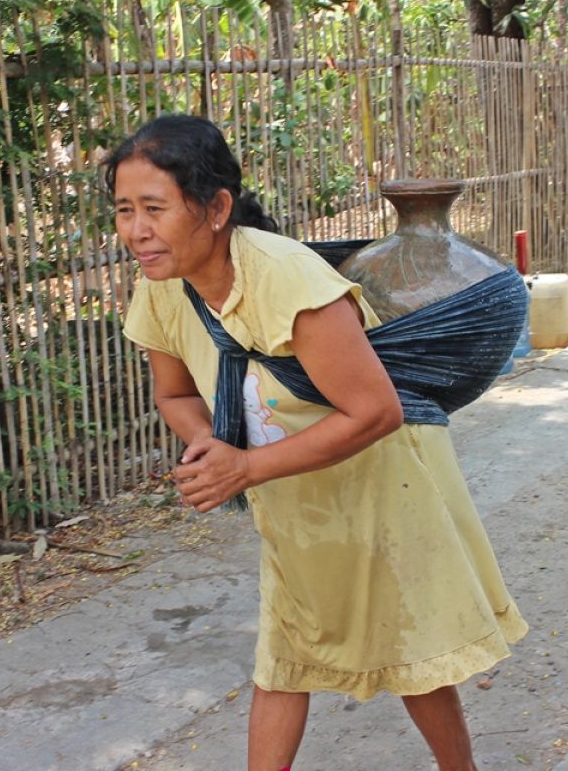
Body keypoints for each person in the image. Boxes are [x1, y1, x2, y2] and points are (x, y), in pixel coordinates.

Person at [109, 114, 527, 771]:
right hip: (293, 500)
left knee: (411, 651)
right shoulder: (162, 287)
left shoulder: (288, 279)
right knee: (286, 657)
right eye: (124, 210)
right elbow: (176, 395)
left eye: (154, 209)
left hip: (383, 485)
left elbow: (375, 411)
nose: (136, 230)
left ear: (215, 209)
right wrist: (214, 450)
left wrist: (247, 466)